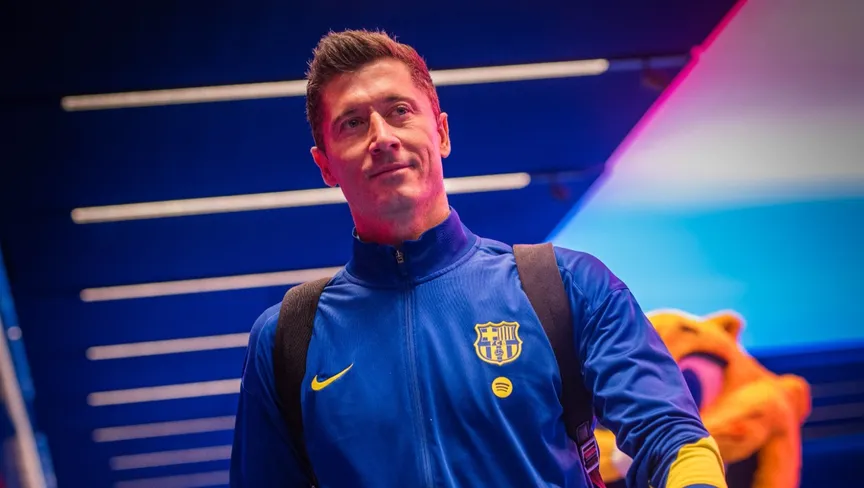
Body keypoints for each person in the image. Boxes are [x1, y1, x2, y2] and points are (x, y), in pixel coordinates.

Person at [230, 29, 727, 488]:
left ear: (442, 133)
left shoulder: (566, 286)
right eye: (353, 123)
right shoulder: (287, 340)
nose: (382, 137)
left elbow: (673, 438)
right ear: (325, 166)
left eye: (399, 110)